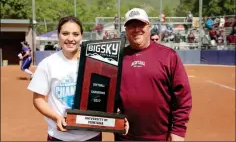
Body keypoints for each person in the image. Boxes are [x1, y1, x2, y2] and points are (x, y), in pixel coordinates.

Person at [115, 8, 192, 141]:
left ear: (149, 27)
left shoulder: (168, 56)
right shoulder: (116, 57)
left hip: (159, 136)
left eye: (141, 24)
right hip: (124, 136)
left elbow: (182, 95)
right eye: (131, 25)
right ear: (126, 30)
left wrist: (178, 130)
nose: (136, 29)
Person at [27, 16, 102, 141]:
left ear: (81, 36)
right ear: (58, 35)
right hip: (59, 136)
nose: (70, 39)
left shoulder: (95, 61)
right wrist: (56, 117)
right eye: (65, 33)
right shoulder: (47, 64)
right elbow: (38, 99)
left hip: (91, 135)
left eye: (75, 34)